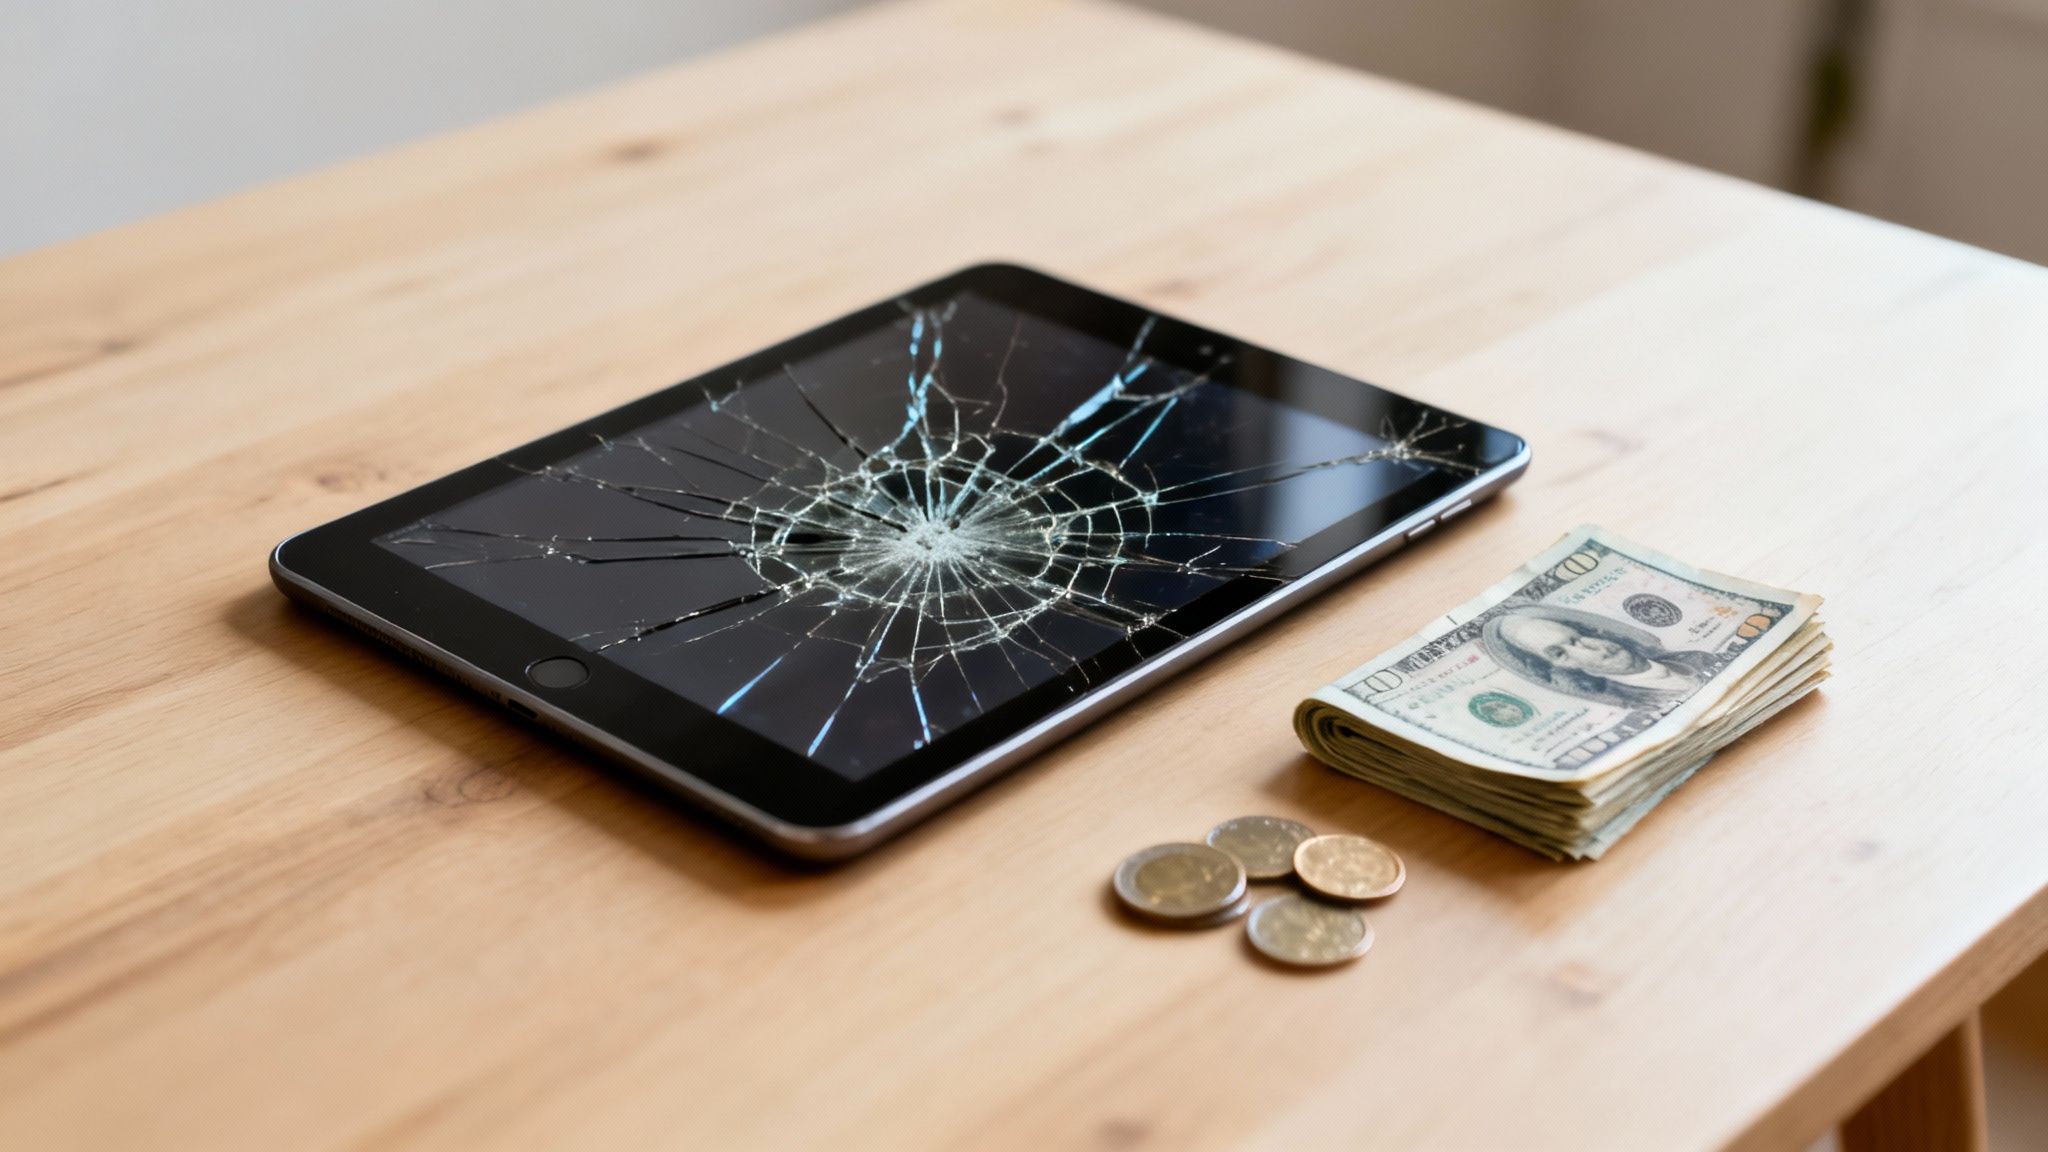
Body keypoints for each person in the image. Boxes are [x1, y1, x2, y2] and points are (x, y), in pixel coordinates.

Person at [1480, 605, 1720, 710]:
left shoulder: (1696, 658)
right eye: (1560, 653)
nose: (1591, 649)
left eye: (1577, 637)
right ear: (1556, 669)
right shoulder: (1633, 704)